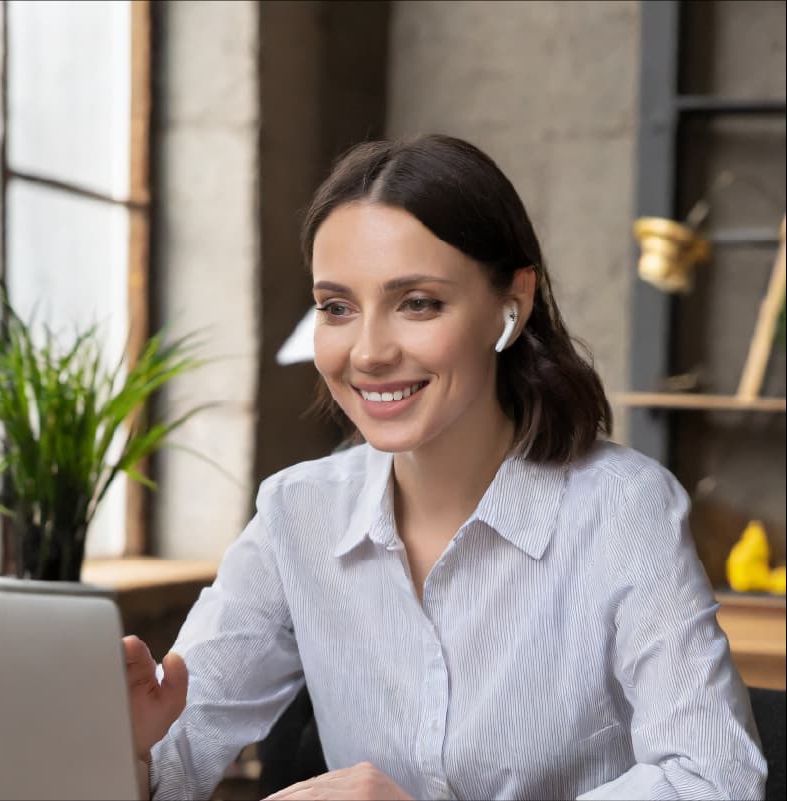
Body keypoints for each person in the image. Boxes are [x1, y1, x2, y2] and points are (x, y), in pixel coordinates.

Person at [123, 134, 767, 801]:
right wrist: (134, 752)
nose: (367, 352)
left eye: (417, 302)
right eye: (337, 307)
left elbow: (713, 779)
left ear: (509, 306)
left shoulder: (621, 507)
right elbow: (176, 756)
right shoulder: (297, 510)